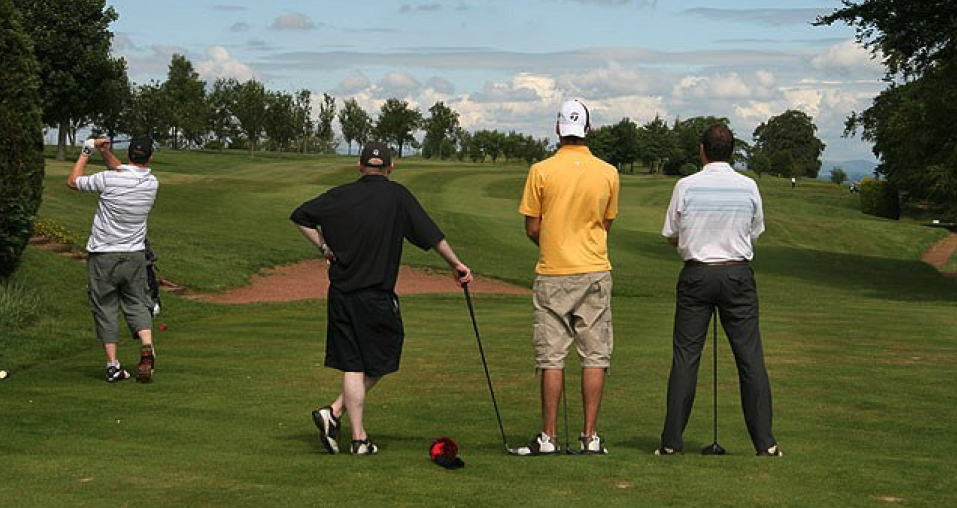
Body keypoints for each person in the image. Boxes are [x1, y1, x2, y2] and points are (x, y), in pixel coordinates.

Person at [290, 141, 473, 456]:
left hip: (341, 294)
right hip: (376, 296)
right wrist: (456, 264)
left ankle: (345, 425)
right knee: (384, 355)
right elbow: (431, 235)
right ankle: (347, 428)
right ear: (390, 167)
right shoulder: (397, 196)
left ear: (360, 166)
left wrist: (325, 249)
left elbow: (300, 216)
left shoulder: (340, 195)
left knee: (352, 363)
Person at [656, 124, 781, 457]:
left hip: (696, 275)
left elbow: (672, 234)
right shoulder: (748, 186)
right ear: (733, 151)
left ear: (702, 150)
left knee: (685, 359)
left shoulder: (686, 185)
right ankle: (765, 443)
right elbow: (755, 231)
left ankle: (671, 443)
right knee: (750, 359)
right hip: (737, 275)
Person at [516, 100, 619, 455]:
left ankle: (548, 437)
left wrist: (553, 240)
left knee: (552, 358)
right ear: (588, 130)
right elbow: (605, 224)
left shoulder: (540, 170)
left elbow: (533, 227)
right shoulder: (608, 172)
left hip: (553, 271)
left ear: (558, 128)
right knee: (594, 355)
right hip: (594, 269)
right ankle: (590, 438)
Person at [68, 138, 159, 383]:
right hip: (134, 256)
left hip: (104, 255)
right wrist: (106, 152)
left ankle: (112, 365)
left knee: (105, 307)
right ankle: (147, 345)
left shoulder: (109, 179)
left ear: (128, 153)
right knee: (137, 303)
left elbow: (73, 181)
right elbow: (121, 171)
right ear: (149, 158)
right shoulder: (151, 183)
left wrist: (88, 150)